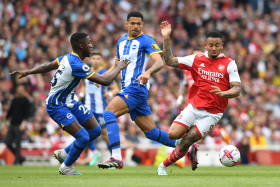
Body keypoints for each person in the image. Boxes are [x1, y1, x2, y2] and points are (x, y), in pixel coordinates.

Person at [10, 32, 130, 175]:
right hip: (56, 105)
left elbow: (48, 66)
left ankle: (64, 153)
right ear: (81, 45)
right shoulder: (77, 64)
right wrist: (119, 67)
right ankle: (66, 166)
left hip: (70, 102)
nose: (91, 46)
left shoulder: (67, 57)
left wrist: (28, 71)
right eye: (89, 43)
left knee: (96, 131)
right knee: (84, 137)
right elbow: (105, 81)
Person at [97, 12, 180, 169]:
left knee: (109, 113)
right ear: (127, 24)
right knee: (152, 133)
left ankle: (116, 157)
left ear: (142, 25)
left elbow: (159, 62)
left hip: (137, 87)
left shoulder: (147, 40)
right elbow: (115, 66)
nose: (136, 26)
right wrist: (101, 79)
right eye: (133, 23)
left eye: (139, 23)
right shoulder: (121, 42)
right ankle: (187, 147)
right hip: (130, 89)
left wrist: (148, 72)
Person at [157, 21, 241, 175]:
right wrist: (166, 38)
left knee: (188, 139)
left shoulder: (230, 64)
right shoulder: (196, 59)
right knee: (172, 134)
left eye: (217, 45)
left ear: (222, 46)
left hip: (213, 113)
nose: (214, 48)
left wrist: (225, 93)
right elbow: (169, 61)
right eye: (211, 45)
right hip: (194, 107)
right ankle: (187, 148)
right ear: (206, 45)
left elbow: (237, 89)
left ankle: (163, 166)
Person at [177, 49, 231, 145]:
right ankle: (190, 152)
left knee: (201, 130)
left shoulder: (208, 71)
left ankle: (219, 133)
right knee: (187, 129)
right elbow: (185, 85)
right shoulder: (187, 71)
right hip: (190, 103)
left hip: (204, 103)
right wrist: (180, 96)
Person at [80, 52, 120, 166]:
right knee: (85, 132)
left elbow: (115, 88)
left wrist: (110, 94)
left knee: (104, 135)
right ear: (90, 60)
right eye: (94, 58)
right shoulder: (86, 71)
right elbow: (84, 85)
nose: (96, 60)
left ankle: (114, 158)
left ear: (101, 61)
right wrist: (81, 96)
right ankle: (95, 151)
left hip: (101, 109)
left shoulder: (105, 73)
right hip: (87, 108)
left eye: (98, 58)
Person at [5, 84, 30, 165]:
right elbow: (10, 112)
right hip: (12, 124)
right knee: (8, 142)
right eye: (18, 89)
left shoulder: (26, 100)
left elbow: (27, 114)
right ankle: (20, 157)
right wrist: (5, 120)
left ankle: (17, 162)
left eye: (21, 89)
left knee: (17, 143)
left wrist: (23, 124)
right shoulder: (14, 100)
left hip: (20, 125)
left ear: (24, 90)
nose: (20, 90)